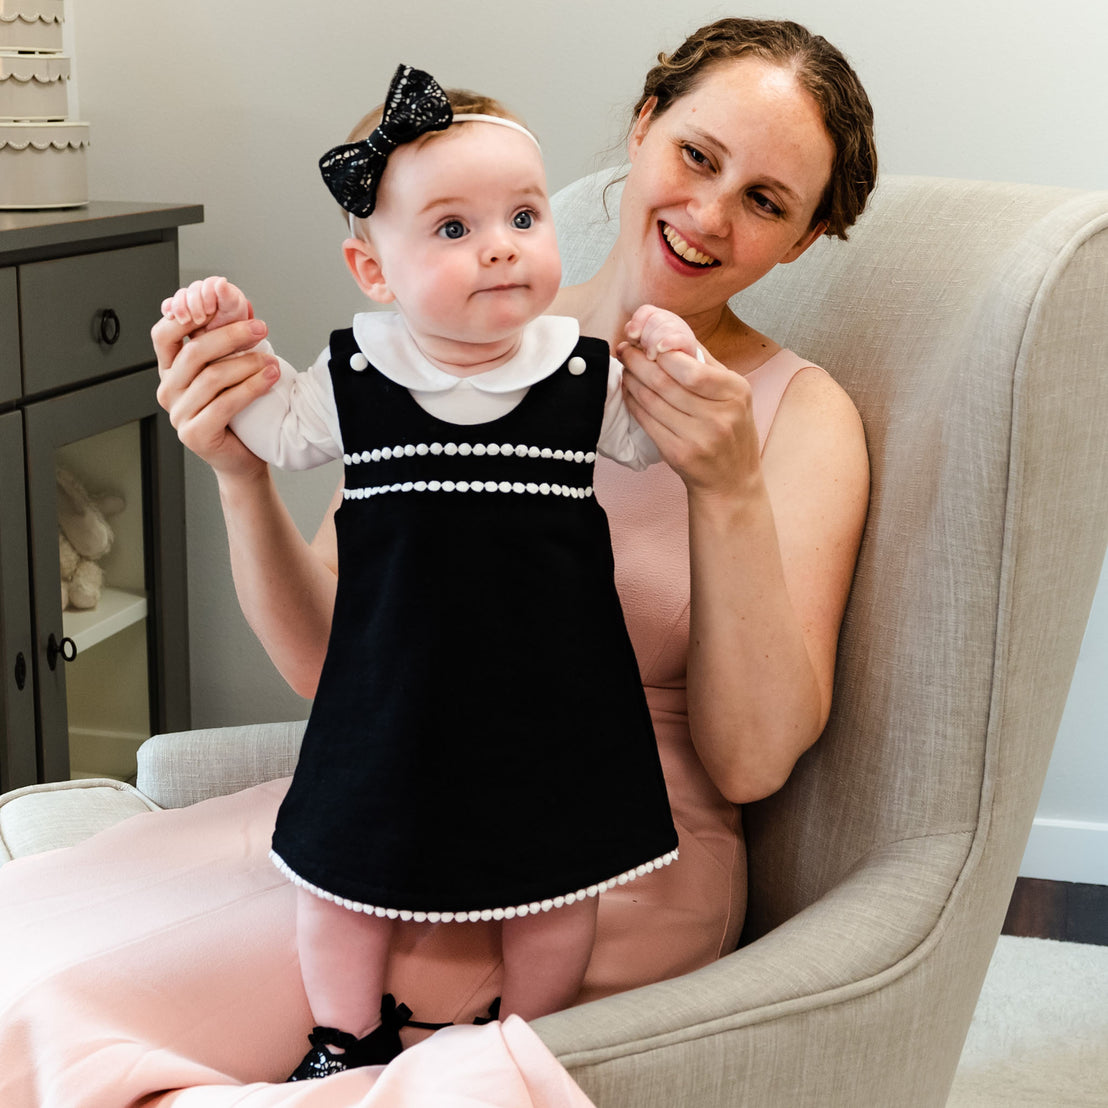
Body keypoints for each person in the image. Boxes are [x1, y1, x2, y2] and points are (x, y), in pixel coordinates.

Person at [0, 17, 876, 1101]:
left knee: (82, 1036)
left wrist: (728, 485)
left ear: (797, 242)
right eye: (697, 155)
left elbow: (750, 765)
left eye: (766, 202)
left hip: (605, 849)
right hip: (394, 785)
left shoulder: (797, 415)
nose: (707, 213)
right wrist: (239, 473)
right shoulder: (437, 335)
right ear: (644, 127)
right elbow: (329, 665)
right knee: (27, 962)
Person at [159, 63, 693, 1080]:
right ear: (373, 270)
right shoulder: (355, 378)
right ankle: (344, 1037)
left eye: (524, 216)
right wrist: (211, 332)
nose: (499, 244)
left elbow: (668, 436)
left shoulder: (583, 374)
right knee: (338, 878)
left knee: (556, 889)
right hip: (391, 698)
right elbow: (264, 431)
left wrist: (670, 352)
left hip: (556, 702)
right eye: (452, 228)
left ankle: (517, 1036)